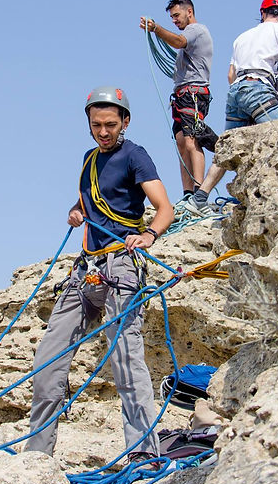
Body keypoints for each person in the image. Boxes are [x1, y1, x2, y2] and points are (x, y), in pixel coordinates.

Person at [26, 86, 174, 462]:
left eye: (111, 124)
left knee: (126, 360)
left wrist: (149, 235)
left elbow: (164, 207)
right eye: (97, 125)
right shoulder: (89, 158)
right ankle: (37, 456)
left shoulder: (134, 155)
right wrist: (76, 212)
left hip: (121, 266)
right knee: (48, 359)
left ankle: (142, 455)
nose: (104, 132)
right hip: (86, 268)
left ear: (125, 122)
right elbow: (88, 202)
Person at [185, 0, 278, 216]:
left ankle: (199, 199)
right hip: (258, 88)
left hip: (236, 91)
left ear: (262, 13)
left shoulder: (242, 37)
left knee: (226, 149)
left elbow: (230, 75)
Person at [140, 0, 214, 211]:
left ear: (189, 11)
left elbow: (178, 41)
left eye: (176, 16)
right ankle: (188, 193)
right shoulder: (189, 36)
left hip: (194, 93)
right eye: (171, 17)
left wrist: (156, 29)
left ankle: (200, 193)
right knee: (182, 143)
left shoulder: (196, 30)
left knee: (192, 141)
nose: (174, 20)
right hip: (182, 95)